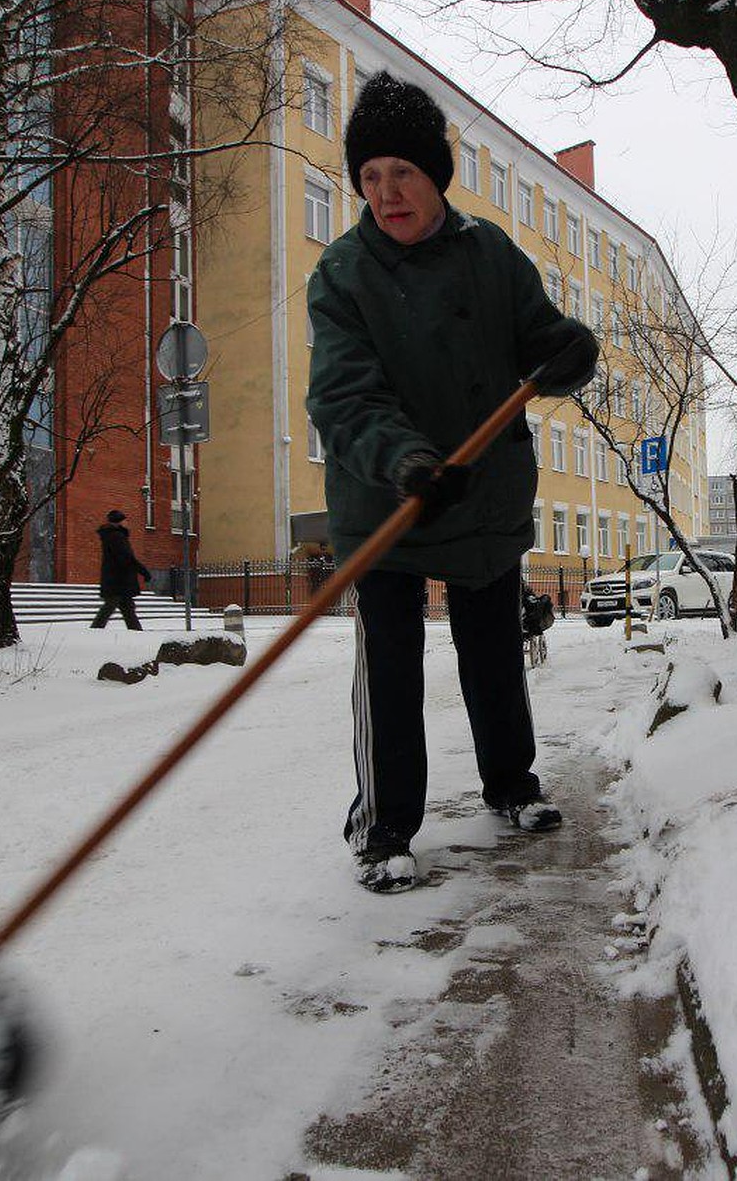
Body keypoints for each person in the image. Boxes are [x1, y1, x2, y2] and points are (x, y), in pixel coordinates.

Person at [306, 71, 599, 894]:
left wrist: (568, 353)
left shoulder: (490, 254)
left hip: (480, 488)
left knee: (495, 652)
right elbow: (342, 394)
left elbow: (540, 342)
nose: (385, 192)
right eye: (368, 177)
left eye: (402, 173)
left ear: (436, 175)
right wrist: (404, 461)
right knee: (391, 667)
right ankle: (384, 828)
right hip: (389, 497)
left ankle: (511, 785)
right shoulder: (342, 273)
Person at [90, 510, 152, 630]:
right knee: (111, 606)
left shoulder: (112, 535)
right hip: (118, 580)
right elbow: (126, 558)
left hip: (117, 580)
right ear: (119, 522)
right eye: (125, 520)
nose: (127, 523)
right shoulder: (116, 536)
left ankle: (137, 632)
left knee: (127, 609)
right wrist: (143, 571)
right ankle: (95, 630)